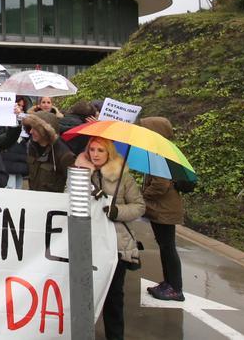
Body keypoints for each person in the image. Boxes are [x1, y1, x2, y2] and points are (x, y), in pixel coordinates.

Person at [74, 137, 145, 340]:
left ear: (109, 154)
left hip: (116, 245)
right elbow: (66, 199)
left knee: (113, 298)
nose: (95, 154)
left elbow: (139, 206)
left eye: (100, 150)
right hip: (87, 243)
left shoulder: (124, 178)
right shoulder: (80, 175)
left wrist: (117, 211)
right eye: (92, 149)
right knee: (84, 295)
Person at [140, 117, 186, 302]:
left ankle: (175, 288)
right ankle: (169, 283)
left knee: (168, 248)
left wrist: (142, 196)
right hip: (163, 208)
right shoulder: (160, 152)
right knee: (165, 246)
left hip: (165, 209)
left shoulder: (160, 154)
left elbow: (160, 185)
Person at [21, 111, 76, 192]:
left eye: (35, 129)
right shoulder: (32, 146)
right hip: (33, 199)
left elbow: (74, 184)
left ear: (45, 131)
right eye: (30, 127)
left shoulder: (64, 154)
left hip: (54, 202)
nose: (31, 131)